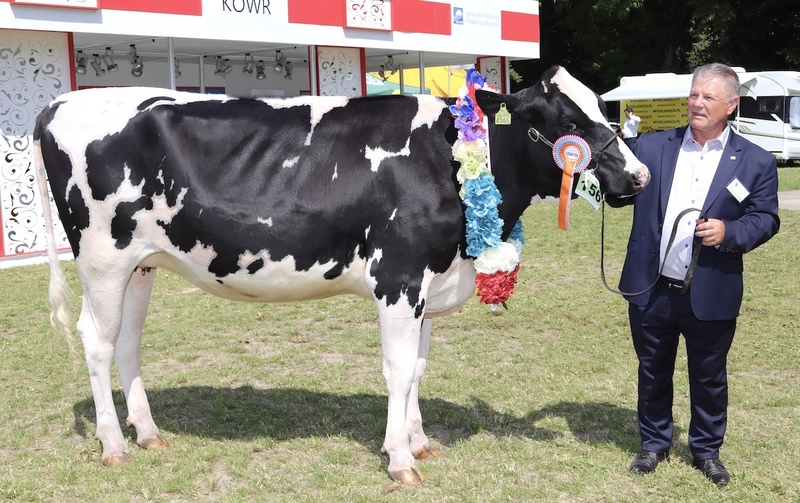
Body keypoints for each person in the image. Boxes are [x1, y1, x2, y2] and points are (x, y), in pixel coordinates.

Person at [606, 63, 780, 486]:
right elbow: (617, 194)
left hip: (710, 288)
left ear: (731, 105)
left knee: (708, 374)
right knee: (652, 369)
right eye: (693, 94)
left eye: (708, 97)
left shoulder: (755, 161)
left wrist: (730, 231)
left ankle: (706, 450)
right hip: (651, 285)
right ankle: (653, 444)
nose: (697, 103)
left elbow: (767, 218)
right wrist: (602, 180)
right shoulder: (649, 147)